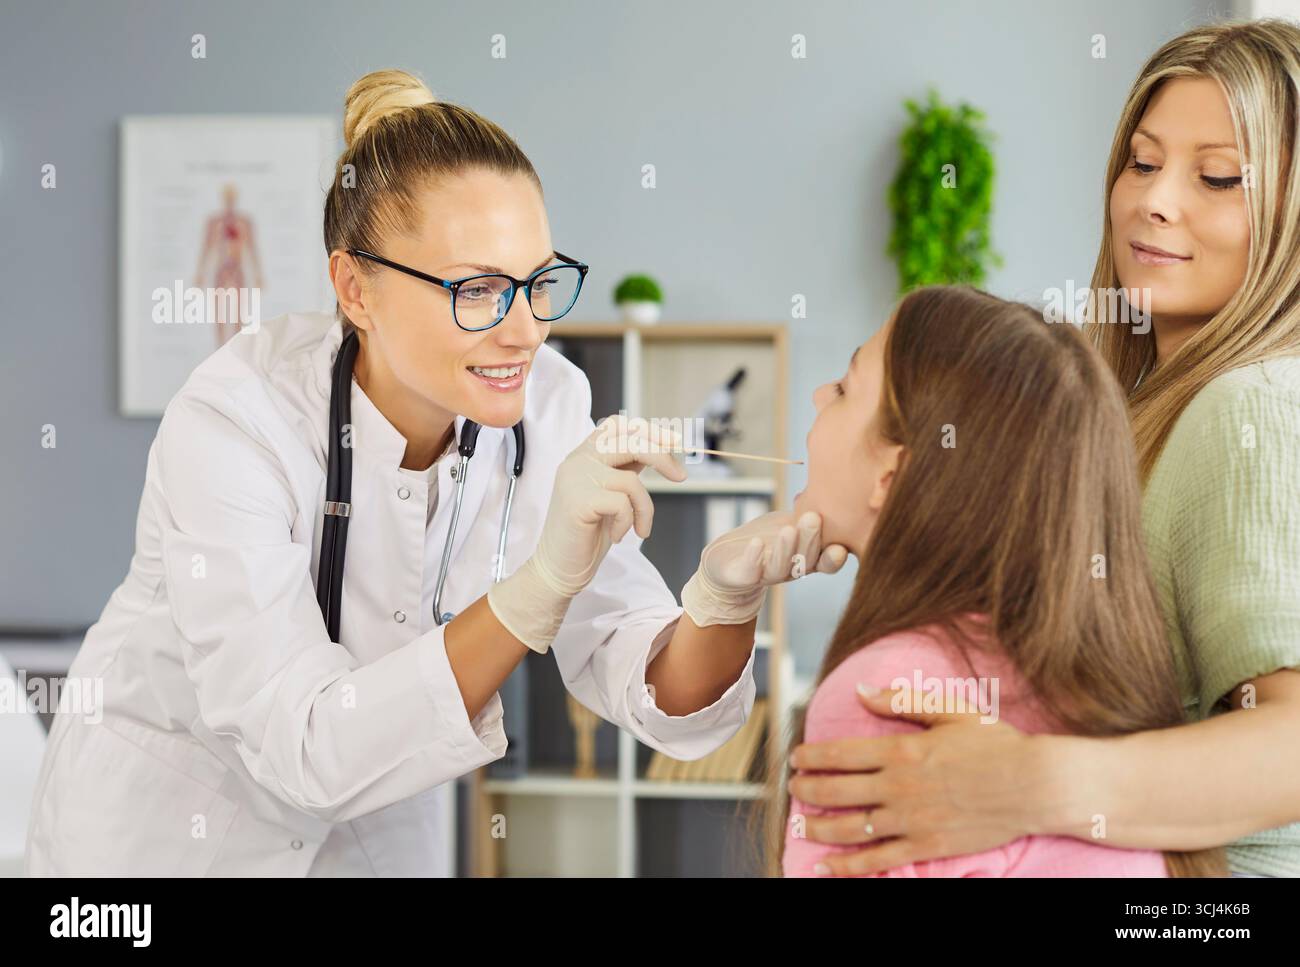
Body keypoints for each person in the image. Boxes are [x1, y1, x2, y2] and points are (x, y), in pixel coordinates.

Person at [25, 69, 846, 876]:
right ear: (355, 287)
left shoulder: (549, 404)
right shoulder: (236, 420)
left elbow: (644, 677)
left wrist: (723, 598)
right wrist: (532, 595)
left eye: (538, 283)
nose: (526, 331)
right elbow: (301, 743)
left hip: (378, 821)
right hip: (166, 834)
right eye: (479, 289)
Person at [789, 20, 1300, 878]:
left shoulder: (1249, 410)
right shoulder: (1141, 408)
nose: (1155, 200)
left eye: (1217, 177)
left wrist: (1029, 782)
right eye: (1141, 161)